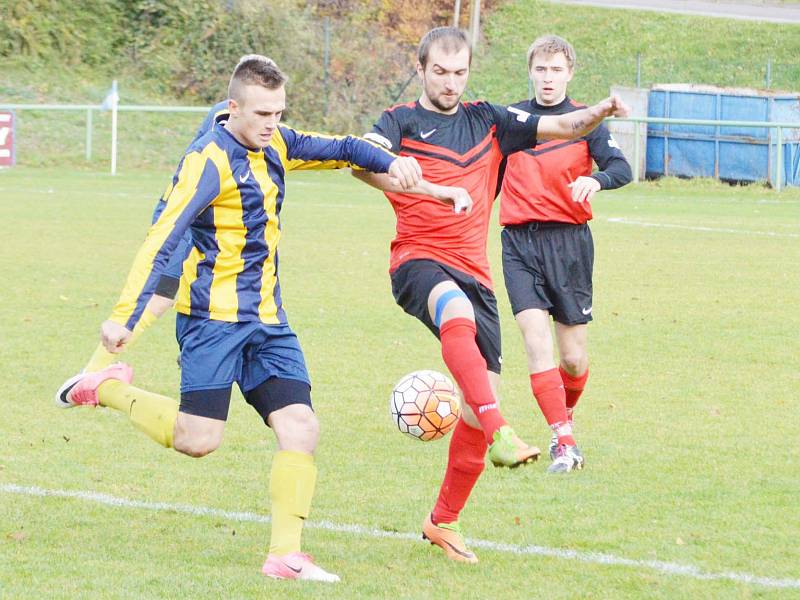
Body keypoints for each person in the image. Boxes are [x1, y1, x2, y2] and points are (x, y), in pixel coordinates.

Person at [55, 54, 439, 583]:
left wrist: (387, 159)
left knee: (301, 426)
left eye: (279, 113)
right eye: (261, 114)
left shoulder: (276, 140)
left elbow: (342, 149)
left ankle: (285, 556)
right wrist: (126, 315)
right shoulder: (207, 162)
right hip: (211, 320)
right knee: (198, 441)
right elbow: (161, 240)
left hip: (267, 322)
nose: (271, 124)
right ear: (232, 107)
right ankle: (106, 387)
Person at [356, 27, 630, 563]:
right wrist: (394, 169)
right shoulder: (400, 121)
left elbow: (565, 125)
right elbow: (362, 160)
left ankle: (443, 521)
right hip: (417, 260)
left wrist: (599, 110)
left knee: (475, 412)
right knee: (458, 323)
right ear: (421, 69)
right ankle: (506, 430)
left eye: (460, 73)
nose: (451, 83)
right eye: (440, 72)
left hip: (475, 272)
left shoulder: (490, 120)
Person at [500, 35, 632, 474]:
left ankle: (565, 413)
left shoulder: (585, 122)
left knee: (572, 358)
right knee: (536, 343)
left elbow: (621, 168)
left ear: (569, 73)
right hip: (519, 243)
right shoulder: (511, 121)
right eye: (541, 69)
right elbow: (487, 172)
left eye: (556, 70)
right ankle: (564, 439)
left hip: (570, 245)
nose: (548, 78)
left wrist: (596, 181)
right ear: (530, 71)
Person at [82, 99, 231, 374]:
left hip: (216, 221)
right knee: (162, 293)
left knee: (220, 281)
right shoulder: (227, 114)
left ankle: (198, 348)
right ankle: (90, 373)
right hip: (188, 214)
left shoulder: (249, 114)